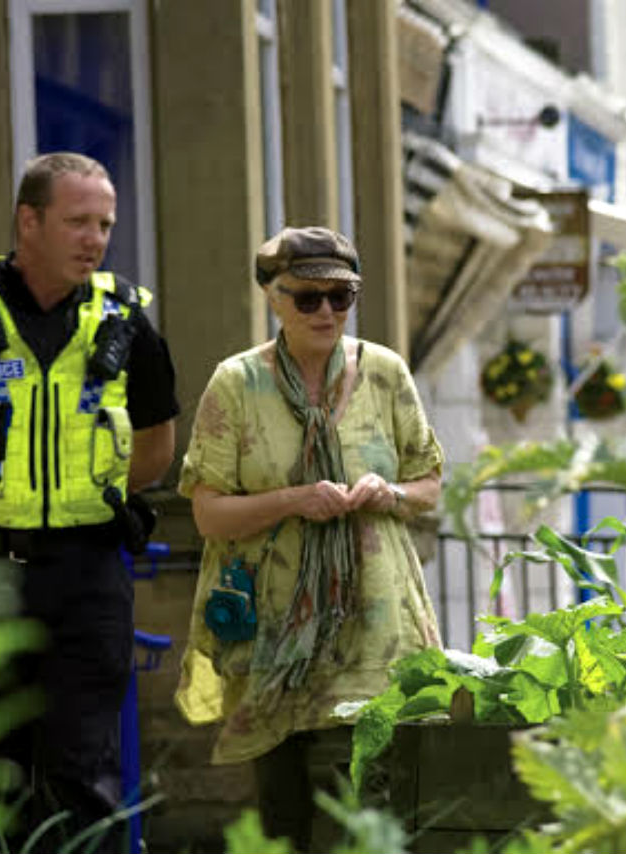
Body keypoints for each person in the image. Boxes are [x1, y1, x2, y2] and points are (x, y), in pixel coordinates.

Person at [0, 152, 179, 853]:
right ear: (28, 220)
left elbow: (159, 445)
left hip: (87, 577)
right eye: (77, 221)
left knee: (84, 772)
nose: (95, 238)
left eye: (104, 223)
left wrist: (83, 495)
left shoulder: (125, 320)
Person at [174, 226, 443, 852]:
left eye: (341, 297)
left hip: (373, 618)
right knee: (285, 803)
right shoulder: (236, 384)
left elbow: (427, 482)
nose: (327, 311)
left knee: (371, 794)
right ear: (274, 297)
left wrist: (390, 494)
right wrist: (296, 500)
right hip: (273, 624)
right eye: (308, 298)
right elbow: (209, 514)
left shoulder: (384, 373)